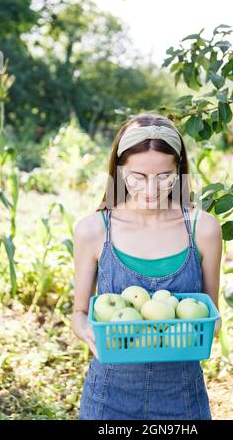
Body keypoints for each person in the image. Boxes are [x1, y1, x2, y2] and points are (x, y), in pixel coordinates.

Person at [72, 111, 222, 420]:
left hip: (182, 399)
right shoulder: (94, 230)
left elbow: (212, 314)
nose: (151, 191)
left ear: (178, 171)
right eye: (137, 177)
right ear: (119, 170)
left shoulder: (203, 229)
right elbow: (80, 313)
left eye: (164, 177)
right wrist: (87, 332)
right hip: (109, 398)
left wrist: (202, 330)